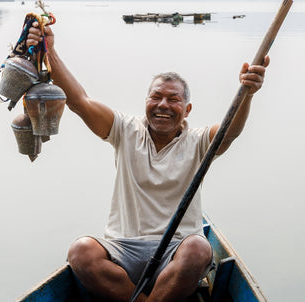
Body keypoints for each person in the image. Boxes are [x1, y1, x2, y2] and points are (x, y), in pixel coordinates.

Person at [27, 22, 269, 302]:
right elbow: (79, 101)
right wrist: (50, 51)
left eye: (173, 99)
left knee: (199, 251)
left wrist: (248, 92)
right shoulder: (125, 130)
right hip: (123, 250)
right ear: (146, 101)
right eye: (156, 97)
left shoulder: (199, 141)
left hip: (177, 252)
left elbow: (231, 131)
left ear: (187, 109)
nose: (163, 105)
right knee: (81, 252)